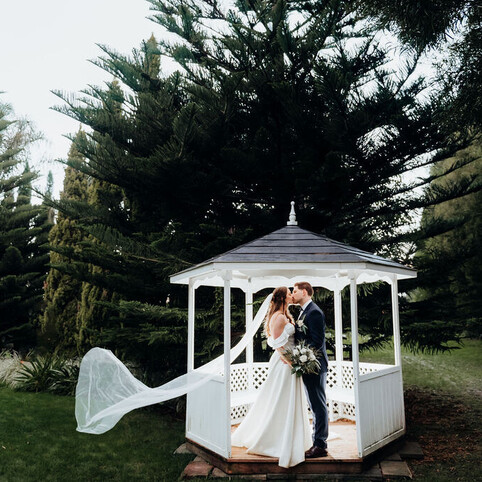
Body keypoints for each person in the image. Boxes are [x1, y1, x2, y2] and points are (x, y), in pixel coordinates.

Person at [231, 286, 312, 468]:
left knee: (287, 399)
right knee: (281, 399)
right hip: (284, 364)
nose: (292, 295)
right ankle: (274, 439)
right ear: (283, 298)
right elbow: (276, 344)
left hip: (291, 360)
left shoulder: (286, 315)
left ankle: (292, 435)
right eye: (289, 294)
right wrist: (291, 362)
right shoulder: (278, 317)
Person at [292, 281, 330, 458]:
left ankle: (320, 444)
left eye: (295, 291)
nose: (292, 293)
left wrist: (301, 355)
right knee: (314, 404)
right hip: (308, 365)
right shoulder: (304, 311)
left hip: (314, 365)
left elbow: (317, 342)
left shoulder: (314, 312)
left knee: (318, 405)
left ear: (305, 292)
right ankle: (317, 440)